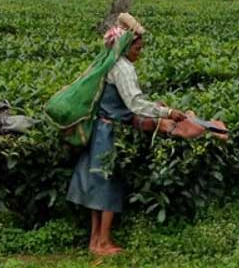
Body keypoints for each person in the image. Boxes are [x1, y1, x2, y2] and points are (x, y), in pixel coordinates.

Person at [66, 14, 187, 256]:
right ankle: (103, 243)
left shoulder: (110, 62)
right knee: (108, 186)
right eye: (138, 48)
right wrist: (167, 111)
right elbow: (134, 103)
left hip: (100, 128)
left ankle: (95, 240)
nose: (139, 53)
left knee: (97, 185)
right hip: (109, 133)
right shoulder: (122, 68)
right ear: (126, 46)